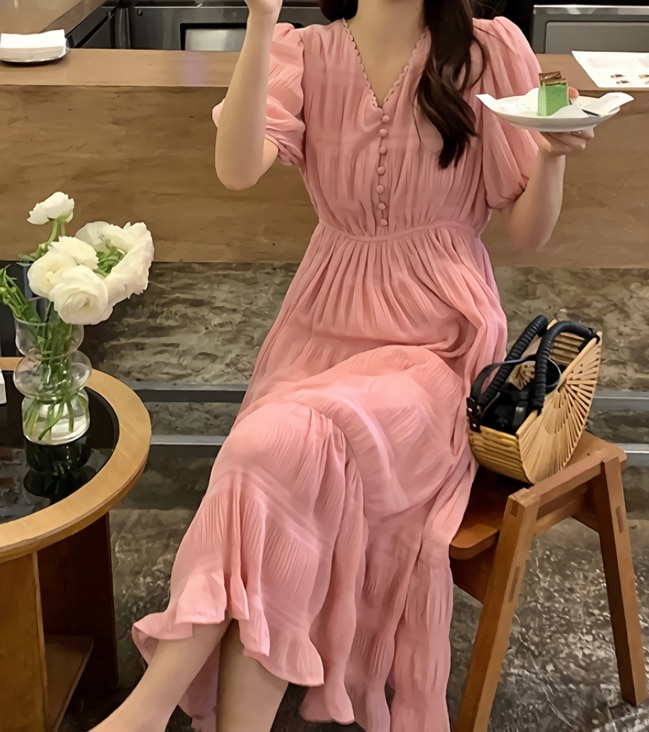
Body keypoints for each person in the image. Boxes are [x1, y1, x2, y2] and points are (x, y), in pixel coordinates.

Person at [94, 1, 592, 730]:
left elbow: (527, 232)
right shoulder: (305, 52)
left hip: (437, 341)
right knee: (270, 455)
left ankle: (143, 711)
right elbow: (237, 170)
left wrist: (550, 156)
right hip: (324, 324)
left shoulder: (486, 50)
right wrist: (259, 20)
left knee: (280, 443)